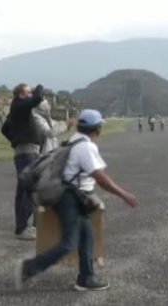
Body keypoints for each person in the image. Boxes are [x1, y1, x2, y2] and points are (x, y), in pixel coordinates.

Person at [15, 109, 139, 292]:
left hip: (74, 196)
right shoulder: (86, 147)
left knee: (87, 236)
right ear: (97, 129)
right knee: (69, 242)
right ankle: (28, 268)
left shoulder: (74, 140)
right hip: (69, 197)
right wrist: (124, 194)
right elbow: (100, 177)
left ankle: (86, 278)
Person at [9, 83, 44, 240]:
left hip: (28, 151)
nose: (31, 95)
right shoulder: (19, 105)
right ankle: (23, 228)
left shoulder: (19, 109)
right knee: (27, 190)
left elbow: (5, 128)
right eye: (28, 92)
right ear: (22, 95)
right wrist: (39, 87)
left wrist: (16, 138)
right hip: (26, 152)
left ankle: (24, 226)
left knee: (25, 189)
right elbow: (37, 98)